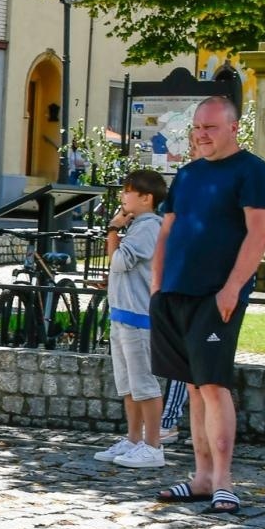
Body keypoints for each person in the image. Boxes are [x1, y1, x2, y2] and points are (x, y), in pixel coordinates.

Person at [149, 96, 265, 514]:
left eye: (210, 128)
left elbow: (259, 234)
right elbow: (168, 232)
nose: (201, 135)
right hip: (175, 292)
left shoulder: (253, 172)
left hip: (216, 294)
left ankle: (224, 481)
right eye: (197, 128)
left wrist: (233, 287)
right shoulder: (186, 175)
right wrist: (157, 285)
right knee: (192, 386)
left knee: (213, 385)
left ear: (233, 128)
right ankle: (201, 478)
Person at [92, 169, 168, 468]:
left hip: (139, 317)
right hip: (123, 313)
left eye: (128, 191)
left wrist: (113, 229)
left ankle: (153, 445)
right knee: (128, 385)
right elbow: (122, 268)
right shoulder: (138, 226)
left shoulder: (149, 226)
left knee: (144, 384)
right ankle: (134, 438)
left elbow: (121, 261)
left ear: (146, 198)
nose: (123, 197)